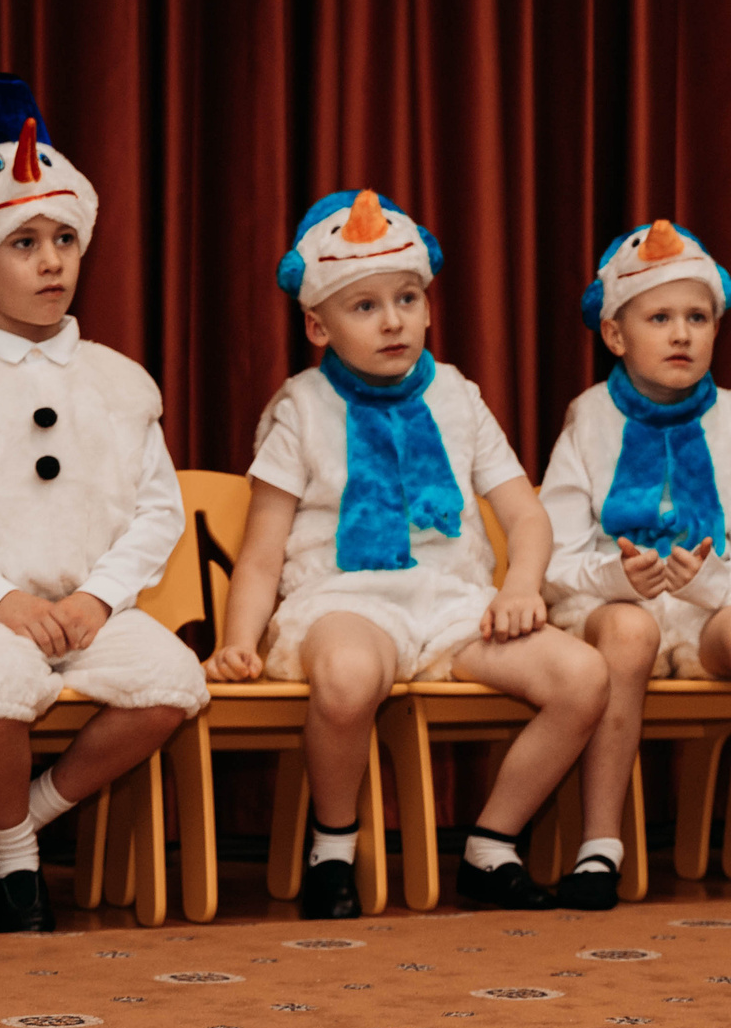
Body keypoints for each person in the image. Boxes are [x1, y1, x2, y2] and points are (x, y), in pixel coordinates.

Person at [210, 190, 610, 917]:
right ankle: (333, 849)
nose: (393, 320)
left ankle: (492, 845)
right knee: (350, 676)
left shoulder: (459, 396)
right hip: (344, 598)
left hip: (453, 602)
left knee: (582, 675)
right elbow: (262, 553)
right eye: (364, 306)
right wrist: (238, 642)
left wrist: (520, 587)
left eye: (407, 297)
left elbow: (526, 514)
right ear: (317, 324)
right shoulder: (301, 408)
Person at [0, 78, 212, 933]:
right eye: (23, 241)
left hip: (88, 609)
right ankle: (13, 861)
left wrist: (94, 598)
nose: (51, 260)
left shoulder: (120, 381)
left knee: (173, 681)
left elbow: (157, 511)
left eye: (64, 237)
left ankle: (33, 808)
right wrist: (3, 601)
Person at [540, 221, 731, 911]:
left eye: (697, 316)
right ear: (617, 334)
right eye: (660, 317)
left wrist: (709, 581)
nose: (682, 333)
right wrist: (616, 578)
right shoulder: (586, 423)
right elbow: (553, 556)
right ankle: (600, 848)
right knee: (628, 631)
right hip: (609, 613)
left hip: (704, 613)